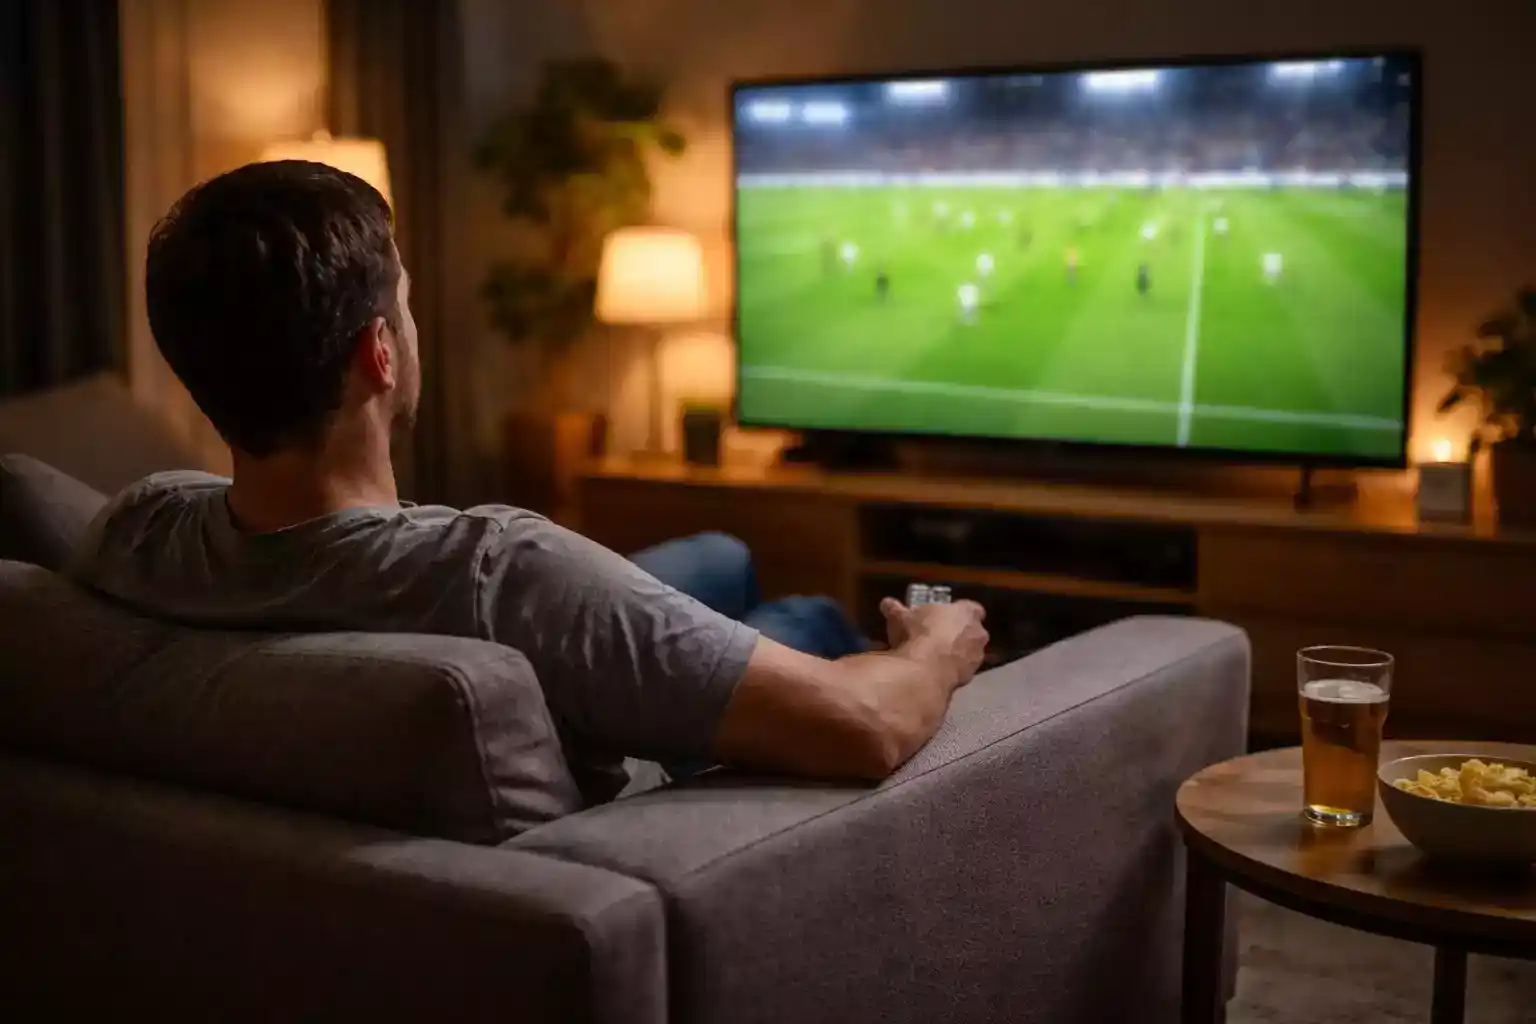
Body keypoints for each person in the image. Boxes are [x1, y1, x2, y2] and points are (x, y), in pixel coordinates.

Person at [68, 160, 989, 802]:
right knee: (806, 622)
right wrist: (938, 645)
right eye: (409, 303)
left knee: (718, 554)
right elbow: (866, 725)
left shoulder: (135, 528)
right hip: (660, 779)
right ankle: (800, 630)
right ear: (380, 354)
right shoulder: (505, 574)